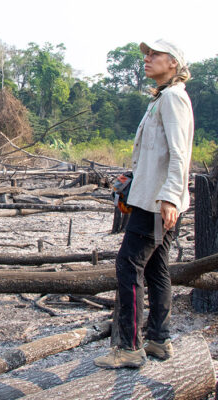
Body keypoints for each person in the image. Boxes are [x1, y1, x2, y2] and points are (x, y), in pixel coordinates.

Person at [94, 39, 194, 368]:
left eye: (155, 55)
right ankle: (159, 341)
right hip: (153, 198)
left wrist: (168, 198)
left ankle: (130, 348)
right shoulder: (162, 99)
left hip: (157, 203)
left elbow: (180, 156)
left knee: (128, 265)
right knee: (156, 268)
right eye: (147, 55)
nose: (147, 59)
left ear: (174, 64)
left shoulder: (174, 99)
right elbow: (157, 155)